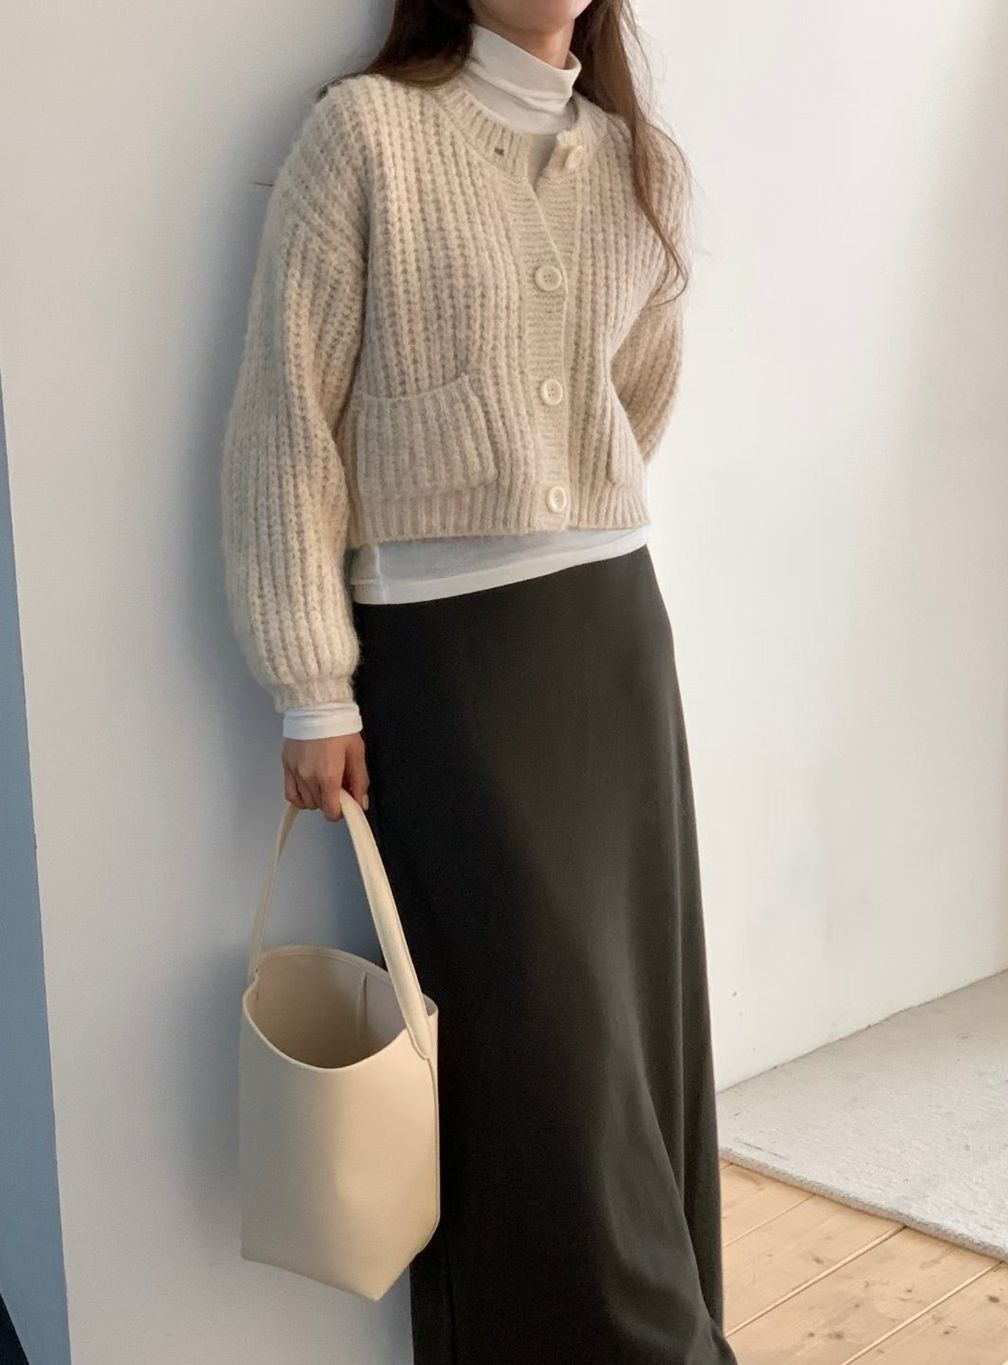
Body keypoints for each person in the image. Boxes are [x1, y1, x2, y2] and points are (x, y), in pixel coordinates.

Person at [221, 4, 738, 1362]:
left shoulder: (638, 163)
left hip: (610, 634)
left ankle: (675, 1323)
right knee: (539, 1045)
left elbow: (639, 395)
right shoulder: (367, 135)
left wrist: (557, 490)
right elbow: (285, 418)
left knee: (635, 1024)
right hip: (445, 660)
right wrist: (312, 685)